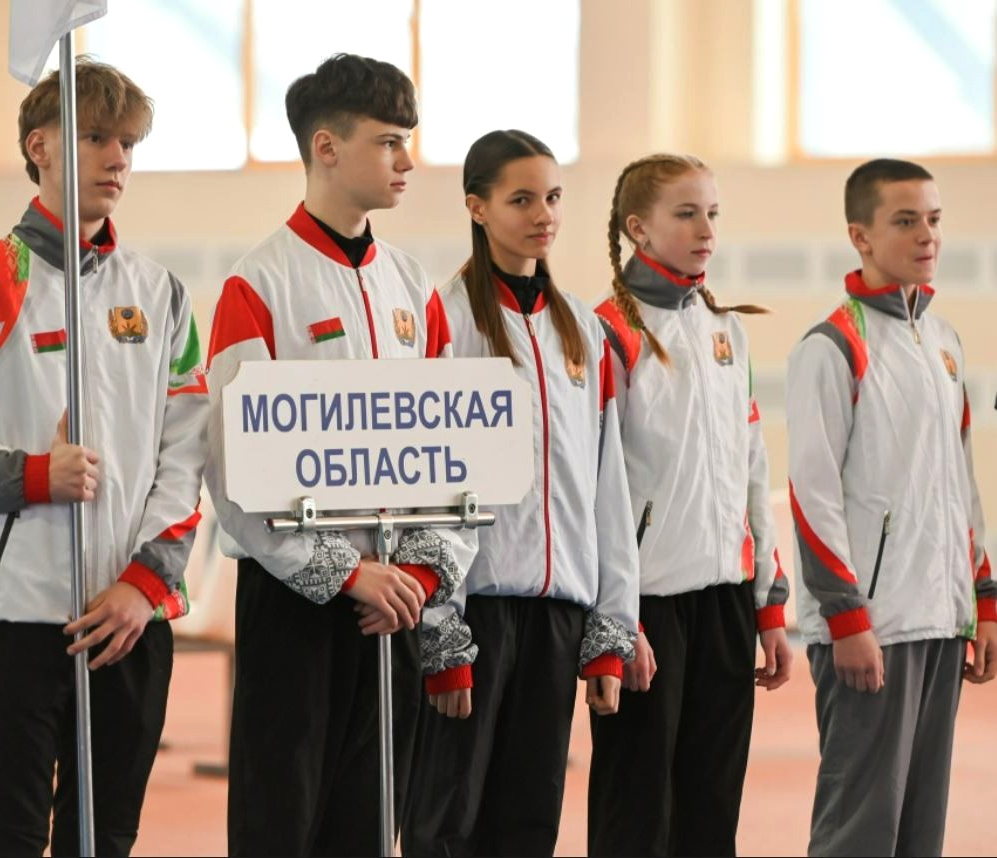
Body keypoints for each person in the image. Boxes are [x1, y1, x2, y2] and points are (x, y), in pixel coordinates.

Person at [0, 59, 209, 856]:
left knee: (106, 840)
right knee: (10, 837)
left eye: (127, 142)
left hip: (132, 618)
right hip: (18, 622)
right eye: (96, 137)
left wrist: (146, 582)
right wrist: (34, 475)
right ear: (40, 146)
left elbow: (187, 450)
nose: (118, 158)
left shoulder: (161, 294)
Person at [203, 53, 476, 856]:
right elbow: (236, 474)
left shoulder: (415, 290)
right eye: (389, 142)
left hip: (397, 604)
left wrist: (418, 572)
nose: (407, 161)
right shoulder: (259, 285)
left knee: (369, 825)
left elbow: (456, 457)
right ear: (326, 147)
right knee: (280, 825)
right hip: (299, 603)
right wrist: (347, 573)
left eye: (407, 141)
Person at [401, 129, 643, 857]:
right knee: (448, 823)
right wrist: (441, 632)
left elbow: (605, 487)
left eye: (554, 197)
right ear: (476, 207)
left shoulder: (585, 332)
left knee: (530, 823)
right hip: (475, 610)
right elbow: (424, 484)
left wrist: (611, 629)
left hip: (558, 616)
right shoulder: (445, 319)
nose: (544, 215)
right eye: (522, 200)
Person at [787, 158, 996, 857]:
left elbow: (961, 485)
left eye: (933, 219)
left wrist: (984, 599)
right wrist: (846, 618)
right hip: (871, 627)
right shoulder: (831, 346)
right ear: (861, 236)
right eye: (905, 220)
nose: (927, 234)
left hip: (940, 617)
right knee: (860, 831)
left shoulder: (944, 343)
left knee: (918, 834)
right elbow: (812, 494)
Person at [589, 153, 792, 857]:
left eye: (712, 213)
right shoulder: (607, 331)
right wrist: (615, 618)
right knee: (637, 809)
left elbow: (752, 468)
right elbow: (593, 487)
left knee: (711, 812)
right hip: (648, 604)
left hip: (725, 601)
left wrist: (768, 603)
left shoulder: (725, 329)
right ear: (638, 228)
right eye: (686, 213)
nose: (706, 229)